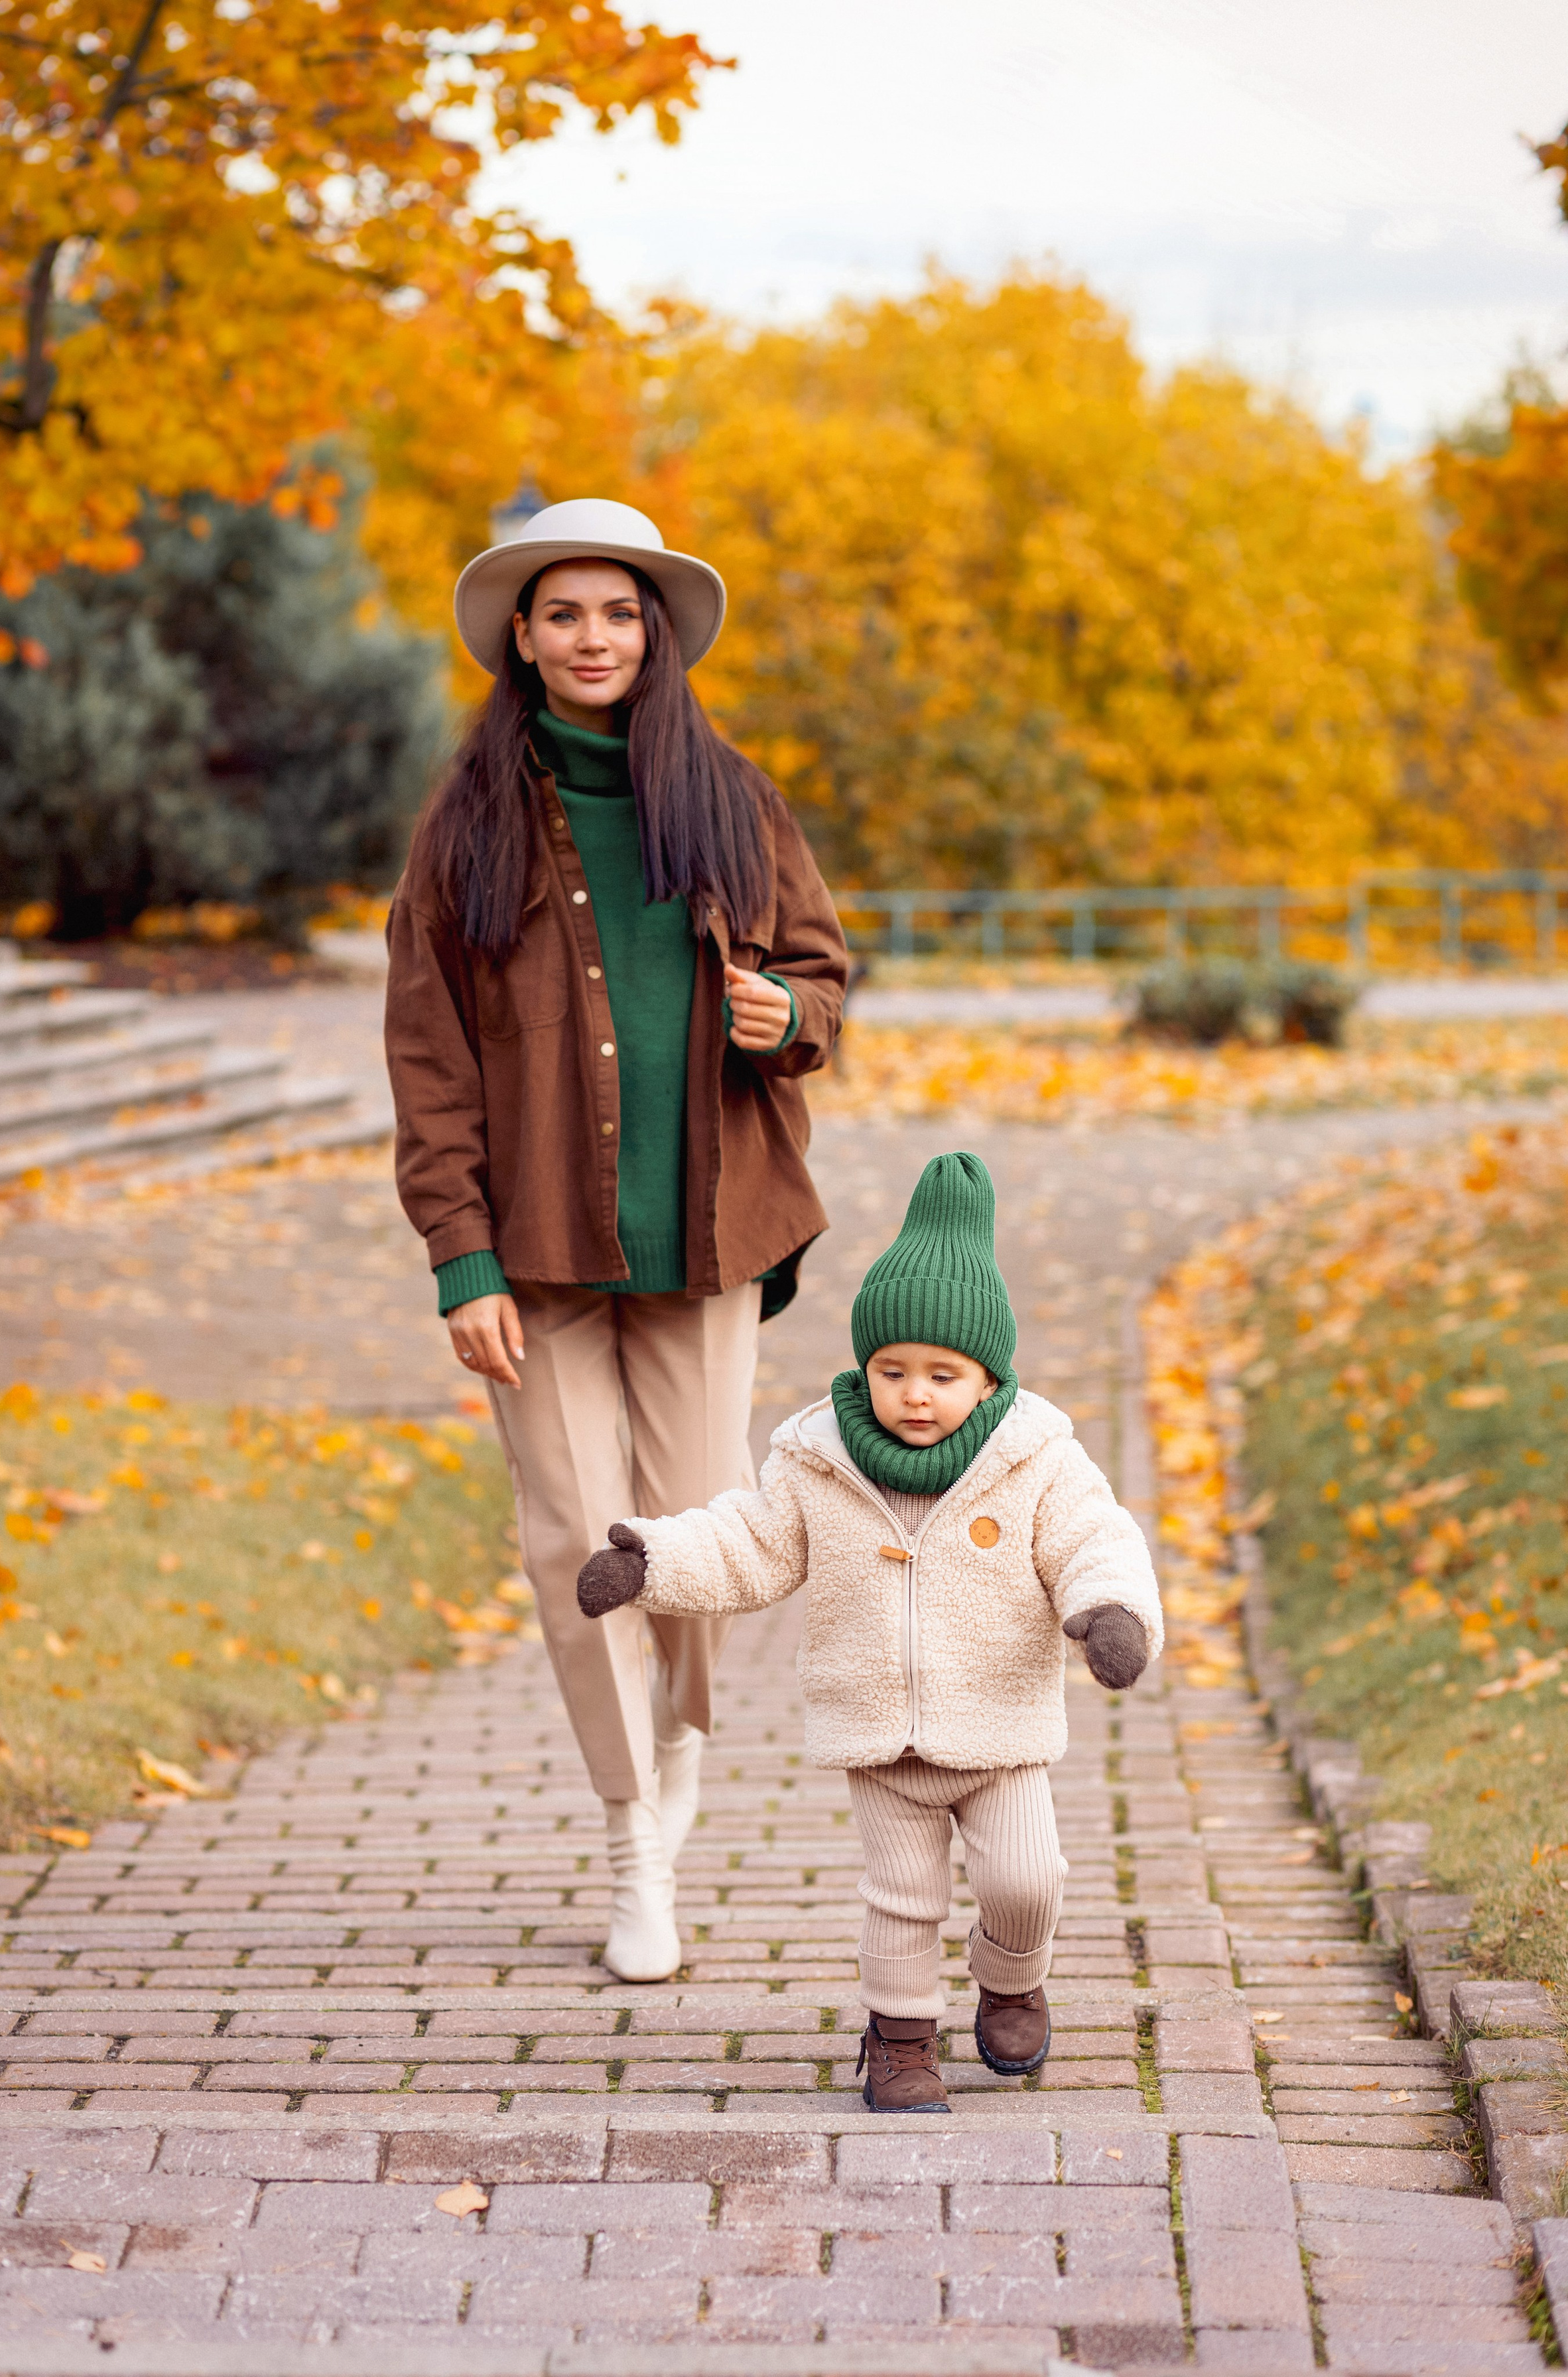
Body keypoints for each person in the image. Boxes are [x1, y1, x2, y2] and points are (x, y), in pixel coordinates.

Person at [384, 497, 850, 1984]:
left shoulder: (730, 800)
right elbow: (429, 1055)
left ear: (654, 634)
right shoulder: (462, 827)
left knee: (694, 1536)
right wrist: (458, 1256)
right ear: (520, 637)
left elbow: (817, 974)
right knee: (573, 1545)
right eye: (564, 613)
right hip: (528, 1254)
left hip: (704, 1245)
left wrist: (790, 1019)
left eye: (618, 612)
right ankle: (633, 1836)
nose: (594, 637)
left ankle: (685, 1737)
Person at [574, 1151, 1163, 2108]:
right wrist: (652, 1561)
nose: (916, 1395)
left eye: (943, 1374)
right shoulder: (819, 1460)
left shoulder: (1037, 1462)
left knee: (1028, 1880)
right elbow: (748, 1542)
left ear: (988, 1379)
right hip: (881, 1737)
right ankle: (899, 2041)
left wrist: (1109, 1613)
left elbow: (1096, 1541)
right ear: (865, 1368)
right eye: (893, 1371)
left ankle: (1011, 1980)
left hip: (1001, 1735)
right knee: (901, 1901)